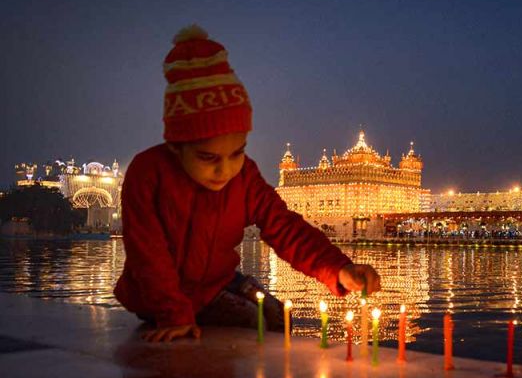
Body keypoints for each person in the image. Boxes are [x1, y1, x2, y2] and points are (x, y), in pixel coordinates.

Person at [114, 25, 381, 342]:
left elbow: (284, 227)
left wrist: (338, 269)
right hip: (158, 296)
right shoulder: (149, 173)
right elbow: (148, 254)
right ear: (175, 146)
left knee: (278, 318)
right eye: (208, 157)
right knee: (255, 324)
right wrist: (174, 314)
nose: (225, 170)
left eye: (237, 153)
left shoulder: (244, 176)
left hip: (216, 283)